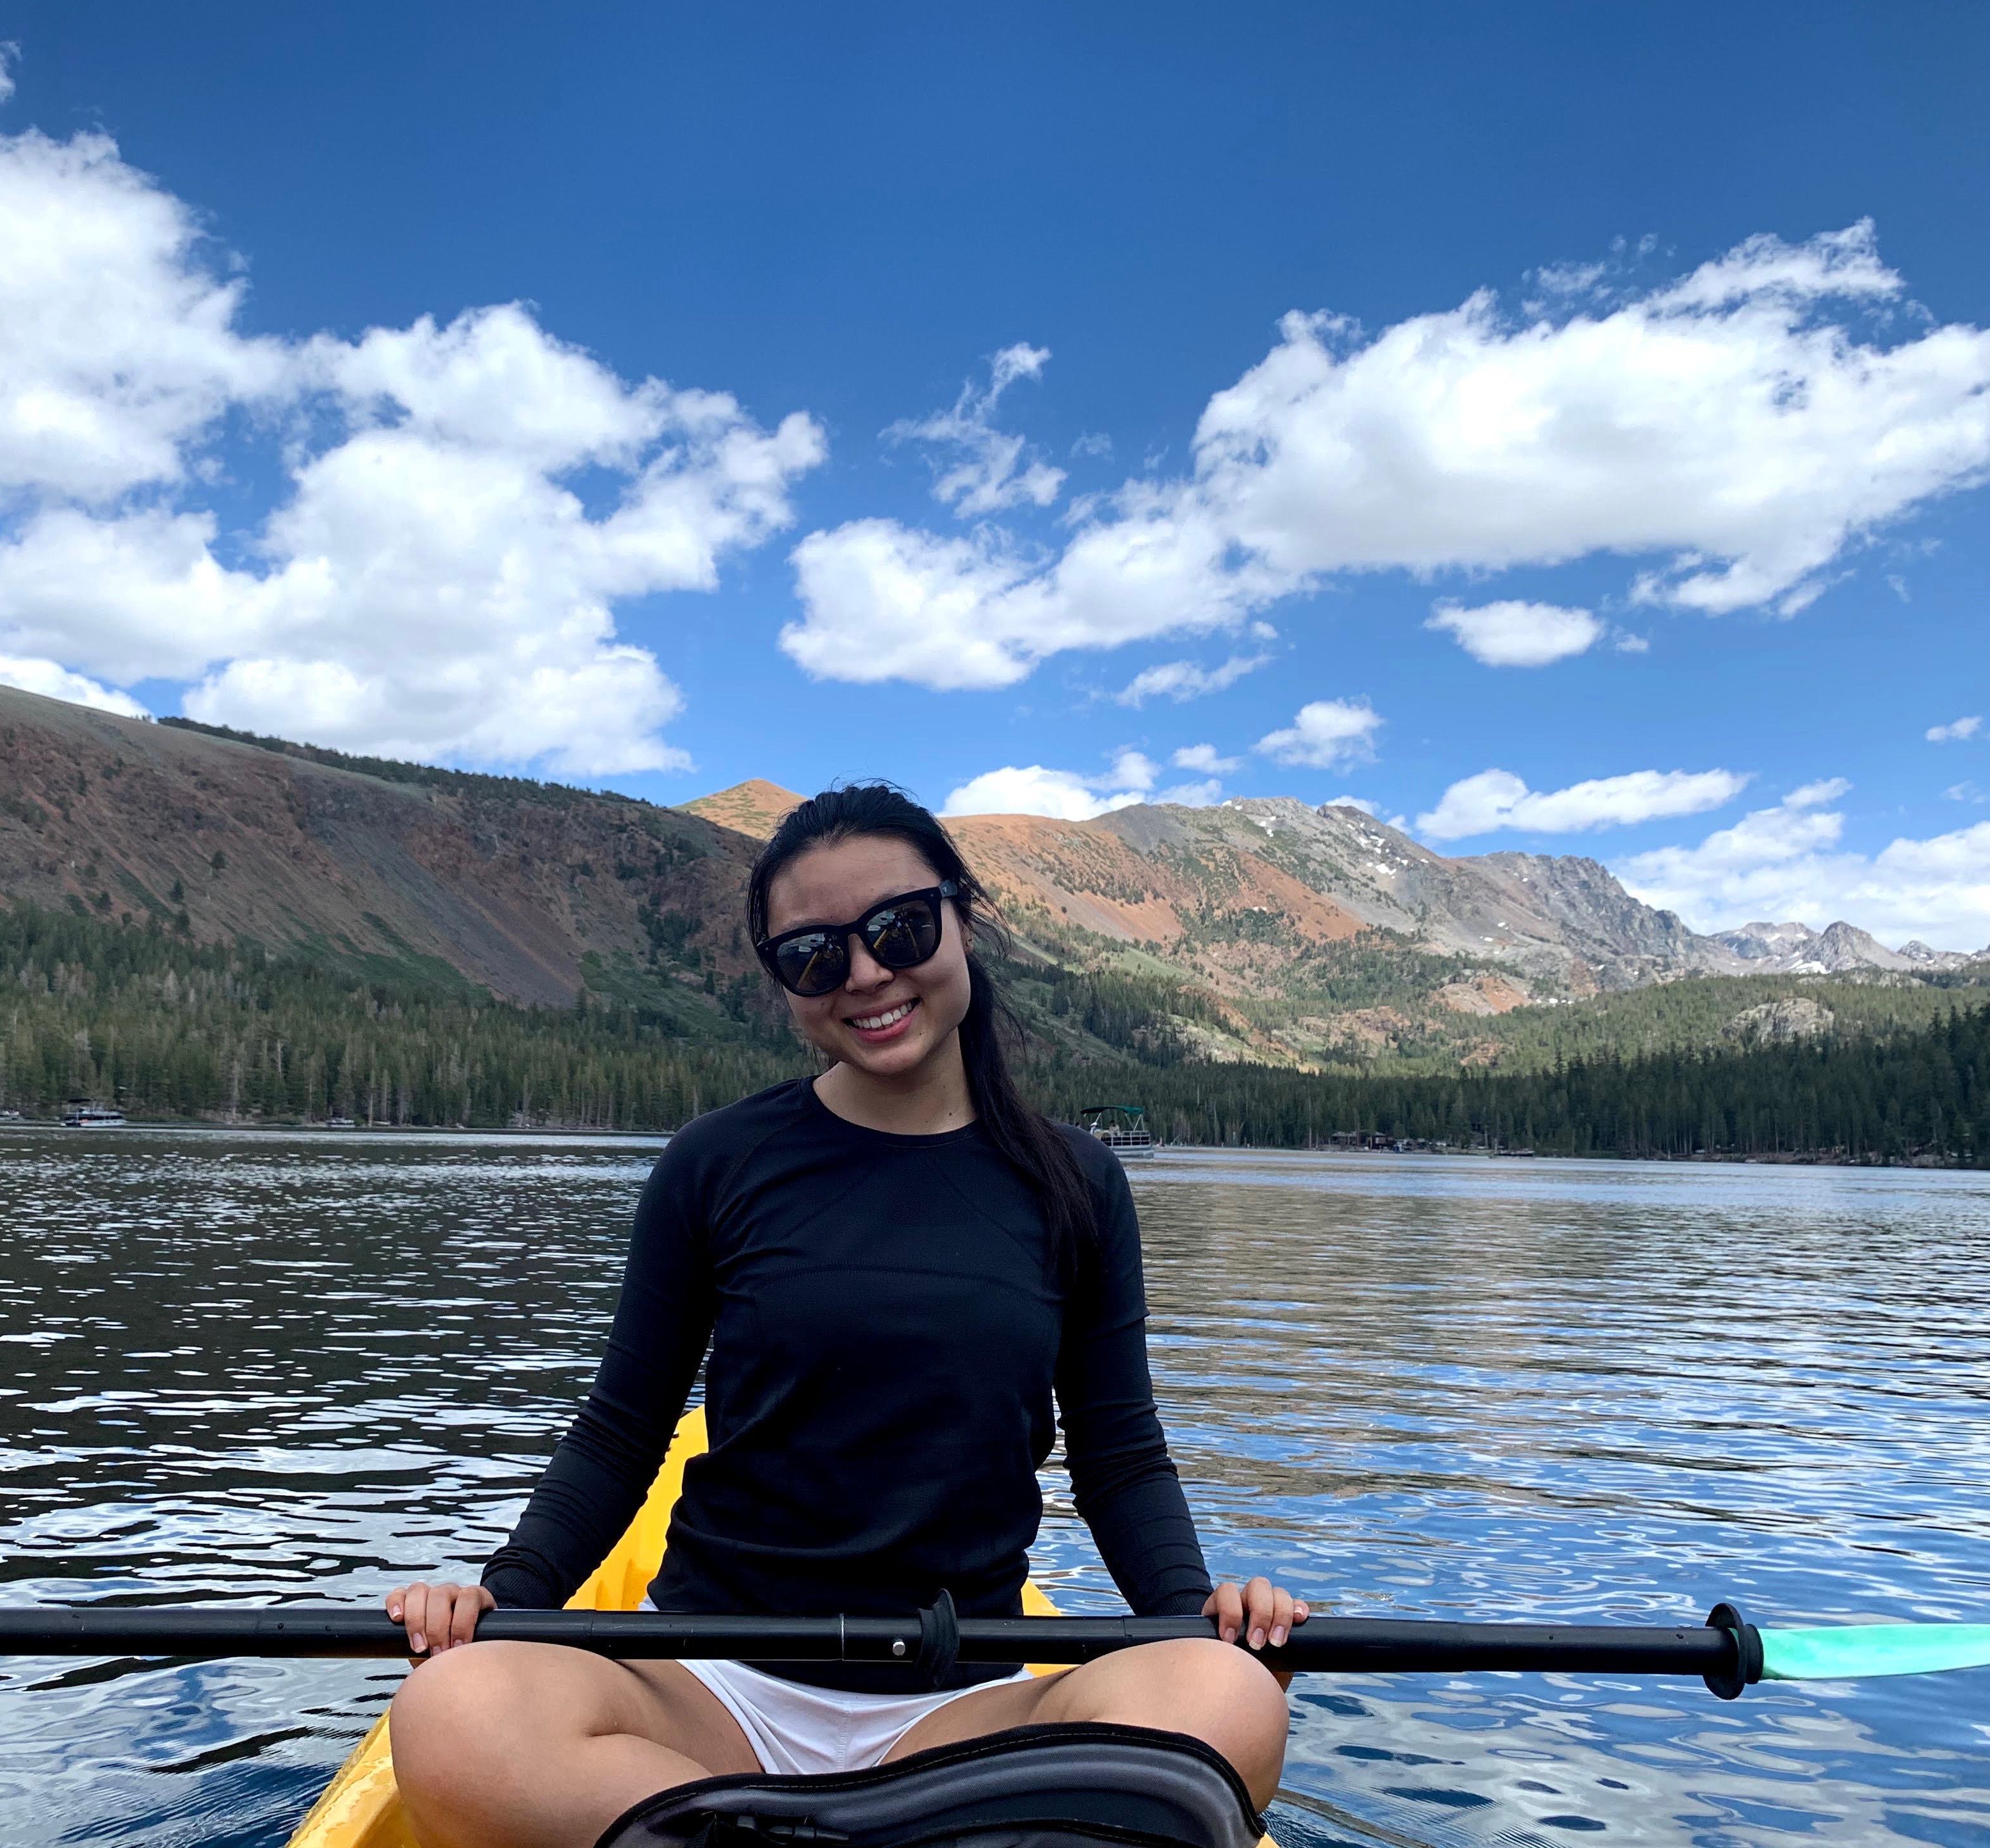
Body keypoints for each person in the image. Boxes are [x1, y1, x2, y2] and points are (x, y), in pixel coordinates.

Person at [384, 784, 1303, 1848]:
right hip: (708, 1686)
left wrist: (1193, 1621)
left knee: (1228, 1703)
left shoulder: (1077, 1183)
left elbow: (1119, 1454)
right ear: (785, 983)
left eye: (899, 929)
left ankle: (753, 1835)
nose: (865, 974)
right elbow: (623, 1431)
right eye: (814, 956)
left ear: (962, 918)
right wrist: (506, 1598)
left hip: (960, 1704)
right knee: (456, 1717)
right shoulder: (716, 1163)